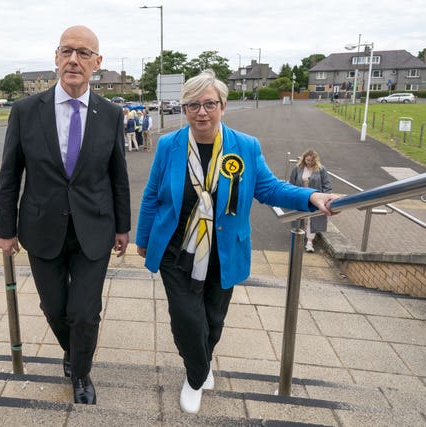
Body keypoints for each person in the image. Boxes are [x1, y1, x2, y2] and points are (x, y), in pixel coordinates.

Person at [135, 70, 339, 415]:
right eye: (193, 105)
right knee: (186, 318)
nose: (202, 112)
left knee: (213, 317)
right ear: (184, 109)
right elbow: (152, 194)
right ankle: (196, 376)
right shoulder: (170, 145)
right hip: (175, 248)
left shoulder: (245, 146)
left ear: (223, 106)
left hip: (223, 251)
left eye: (209, 104)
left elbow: (270, 189)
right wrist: (143, 238)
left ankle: (202, 364)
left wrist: (311, 196)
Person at [0, 25, 131, 406]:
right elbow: (10, 173)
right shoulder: (24, 111)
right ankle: (73, 352)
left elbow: (118, 174)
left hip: (95, 228)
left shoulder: (110, 113)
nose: (74, 59)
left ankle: (81, 372)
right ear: (56, 58)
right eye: (67, 51)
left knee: (85, 312)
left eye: (84, 53)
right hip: (41, 228)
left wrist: (123, 226)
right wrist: (6, 230)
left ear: (97, 63)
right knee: (54, 307)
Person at [289, 149, 332, 252]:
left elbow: (327, 185)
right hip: (301, 197)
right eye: (307, 160)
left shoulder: (321, 169)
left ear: (315, 160)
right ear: (304, 159)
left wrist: (325, 198)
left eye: (311, 160)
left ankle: (309, 242)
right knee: (301, 217)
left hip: (315, 198)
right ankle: (301, 235)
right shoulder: (298, 168)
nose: (309, 162)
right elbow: (292, 182)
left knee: (312, 219)